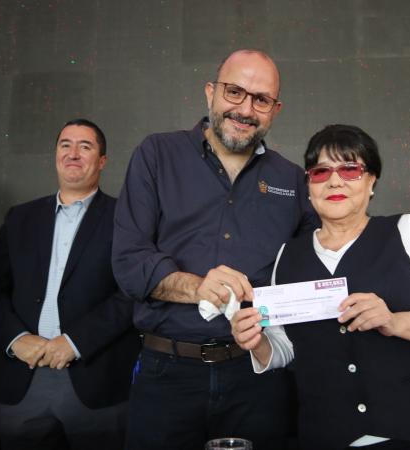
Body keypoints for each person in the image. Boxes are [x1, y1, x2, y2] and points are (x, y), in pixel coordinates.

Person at [112, 49, 318, 450]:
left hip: (257, 377)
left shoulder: (293, 180)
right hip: (166, 374)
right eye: (234, 92)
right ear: (210, 92)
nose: (245, 109)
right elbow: (128, 261)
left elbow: (311, 269)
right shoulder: (157, 155)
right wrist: (198, 287)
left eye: (261, 99)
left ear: (275, 109)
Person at [232, 124, 410, 450]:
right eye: (321, 172)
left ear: (371, 180)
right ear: (309, 186)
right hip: (328, 434)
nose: (335, 181)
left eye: (350, 169)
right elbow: (286, 346)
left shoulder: (406, 230)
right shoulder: (288, 254)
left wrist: (394, 321)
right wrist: (257, 342)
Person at [0, 119, 140, 450]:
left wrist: (75, 341)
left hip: (96, 380)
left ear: (102, 161)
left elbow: (133, 292)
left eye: (85, 146)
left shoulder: (125, 219)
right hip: (21, 379)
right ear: (56, 155)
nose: (73, 153)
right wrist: (15, 339)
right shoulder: (19, 218)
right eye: (65, 145)